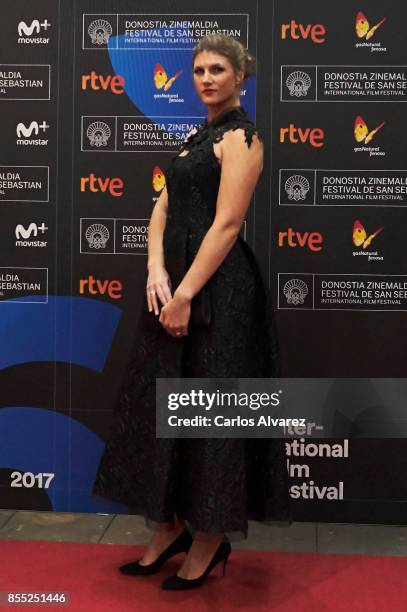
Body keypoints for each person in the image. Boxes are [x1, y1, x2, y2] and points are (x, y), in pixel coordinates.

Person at [92, 33, 291, 591]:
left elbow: (226, 225)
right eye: (199, 69)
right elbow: (161, 210)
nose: (206, 78)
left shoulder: (242, 139)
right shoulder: (196, 138)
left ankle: (208, 537)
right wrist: (157, 272)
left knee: (211, 414)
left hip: (220, 293)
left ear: (239, 77)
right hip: (173, 282)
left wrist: (185, 295)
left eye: (217, 70)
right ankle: (168, 528)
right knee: (163, 409)